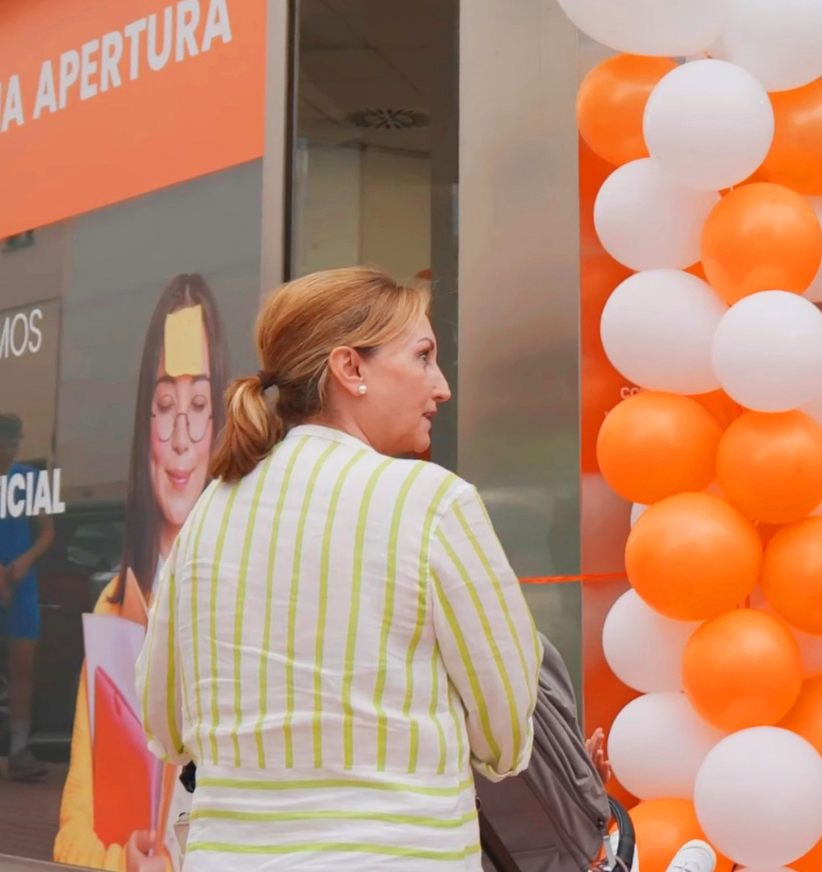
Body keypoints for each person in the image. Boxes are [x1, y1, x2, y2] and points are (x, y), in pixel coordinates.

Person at [134, 266, 539, 871]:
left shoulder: (207, 514)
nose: (442, 386)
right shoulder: (432, 502)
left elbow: (164, 728)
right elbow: (504, 736)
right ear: (350, 369)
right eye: (423, 356)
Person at [55, 274, 228, 868]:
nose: (181, 437)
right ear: (143, 424)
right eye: (164, 406)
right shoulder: (116, 611)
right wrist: (122, 863)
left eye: (200, 406)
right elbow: (70, 837)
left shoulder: (248, 603)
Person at [1, 411, 54, 782]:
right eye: (5, 442)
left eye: (14, 441)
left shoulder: (31, 479)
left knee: (24, 669)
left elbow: (47, 532)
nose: (10, 449)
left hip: (22, 585)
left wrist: (25, 560)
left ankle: (19, 750)